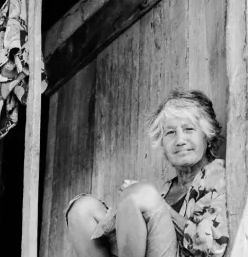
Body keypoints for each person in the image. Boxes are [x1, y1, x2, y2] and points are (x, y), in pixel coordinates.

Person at [66, 89, 229, 257]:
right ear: (163, 145)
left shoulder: (216, 176)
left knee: (142, 194)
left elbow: (212, 247)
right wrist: (124, 209)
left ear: (207, 137)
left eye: (188, 129)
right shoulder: (167, 189)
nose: (180, 140)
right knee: (83, 209)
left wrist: (152, 202)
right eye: (170, 132)